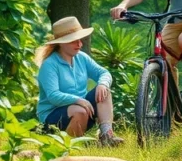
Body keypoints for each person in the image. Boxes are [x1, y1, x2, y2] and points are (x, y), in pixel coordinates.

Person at [35, 17, 123, 146]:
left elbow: (104, 73)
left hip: (84, 110)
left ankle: (106, 136)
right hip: (53, 118)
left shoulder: (82, 58)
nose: (80, 44)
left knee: (104, 91)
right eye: (74, 41)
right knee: (79, 111)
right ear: (61, 43)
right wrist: (79, 100)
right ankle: (71, 146)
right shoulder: (49, 65)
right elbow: (53, 96)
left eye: (80, 40)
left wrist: (102, 84)